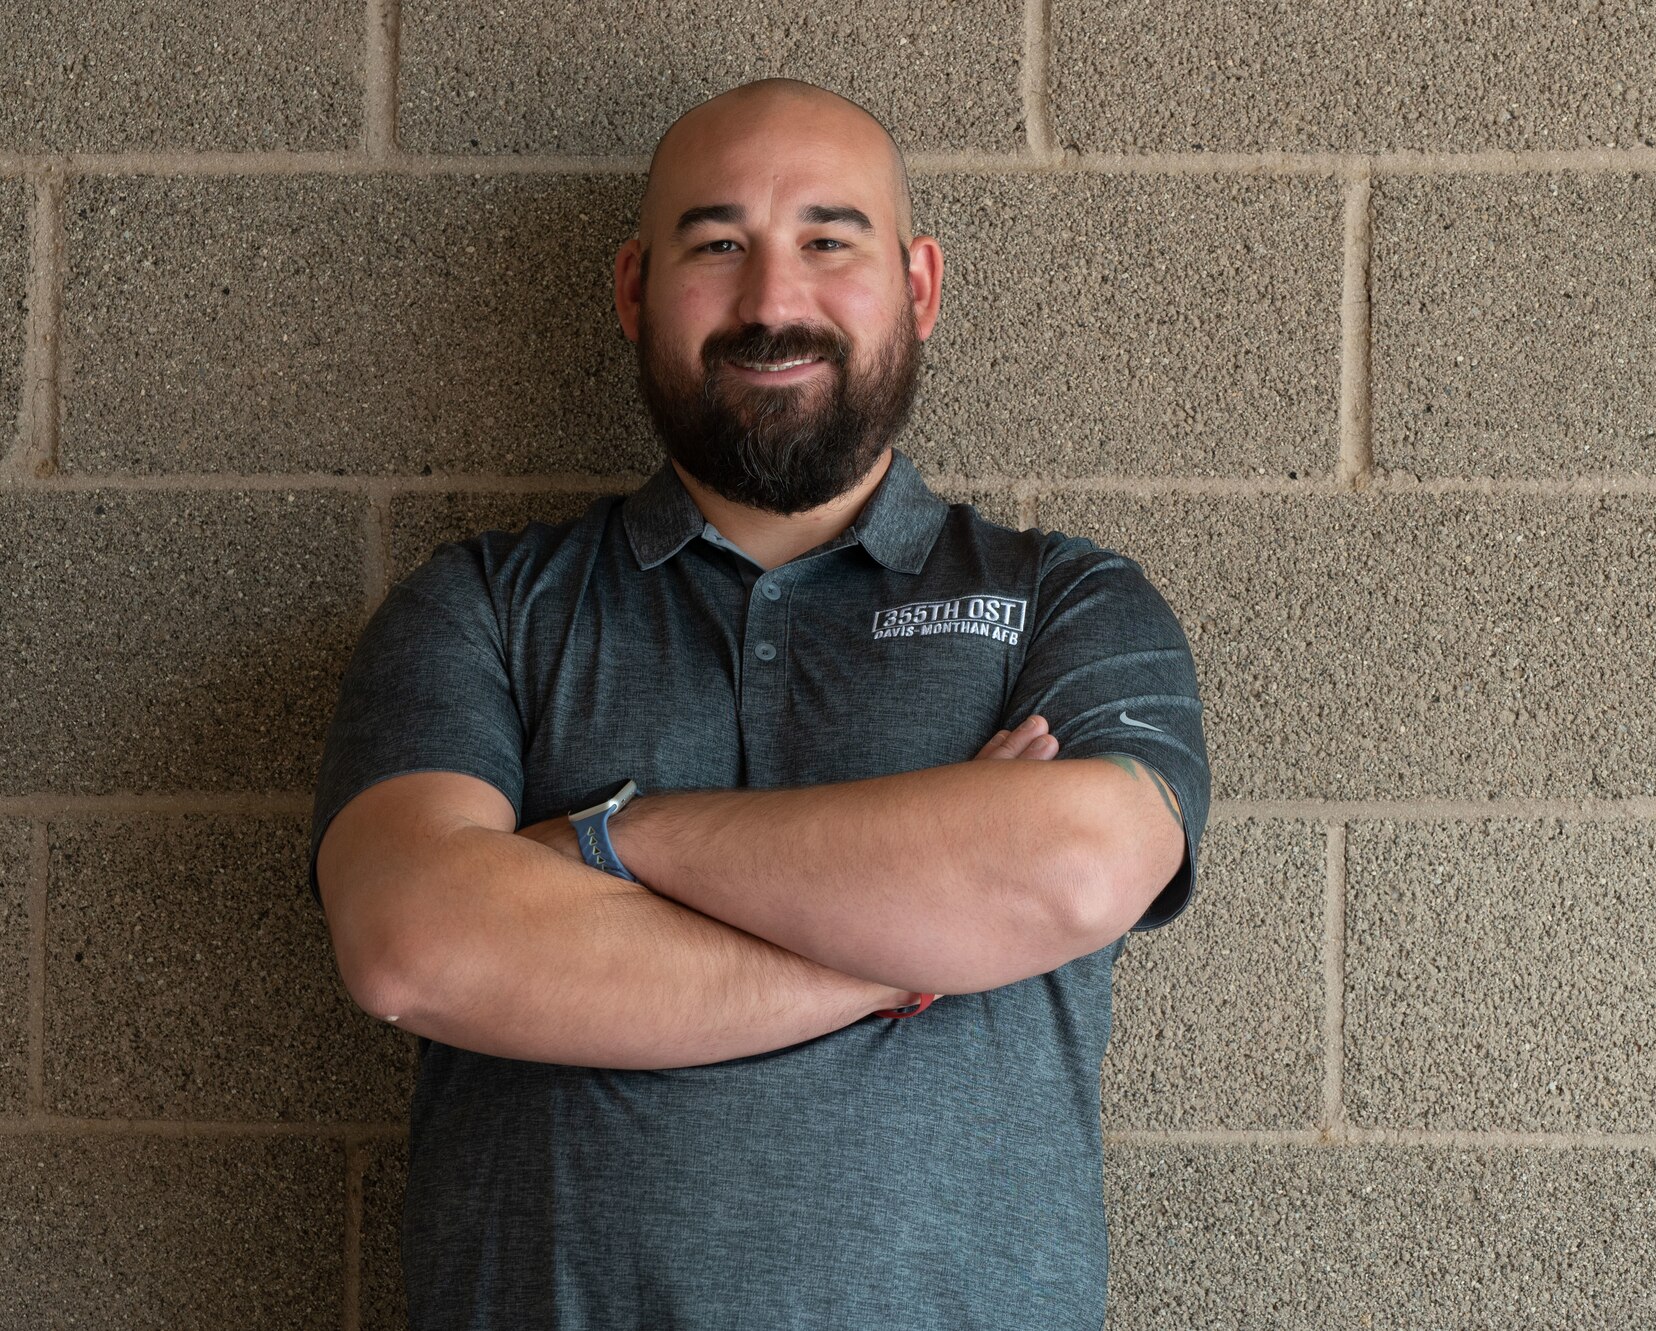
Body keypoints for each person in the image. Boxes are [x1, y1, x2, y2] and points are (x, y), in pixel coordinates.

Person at [308, 77, 1209, 1330]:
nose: (772, 301)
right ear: (633, 289)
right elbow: (416, 943)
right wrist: (905, 950)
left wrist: (611, 838)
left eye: (828, 243)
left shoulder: (1065, 603)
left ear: (919, 286)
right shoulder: (484, 608)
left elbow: (1072, 870)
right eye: (717, 244)